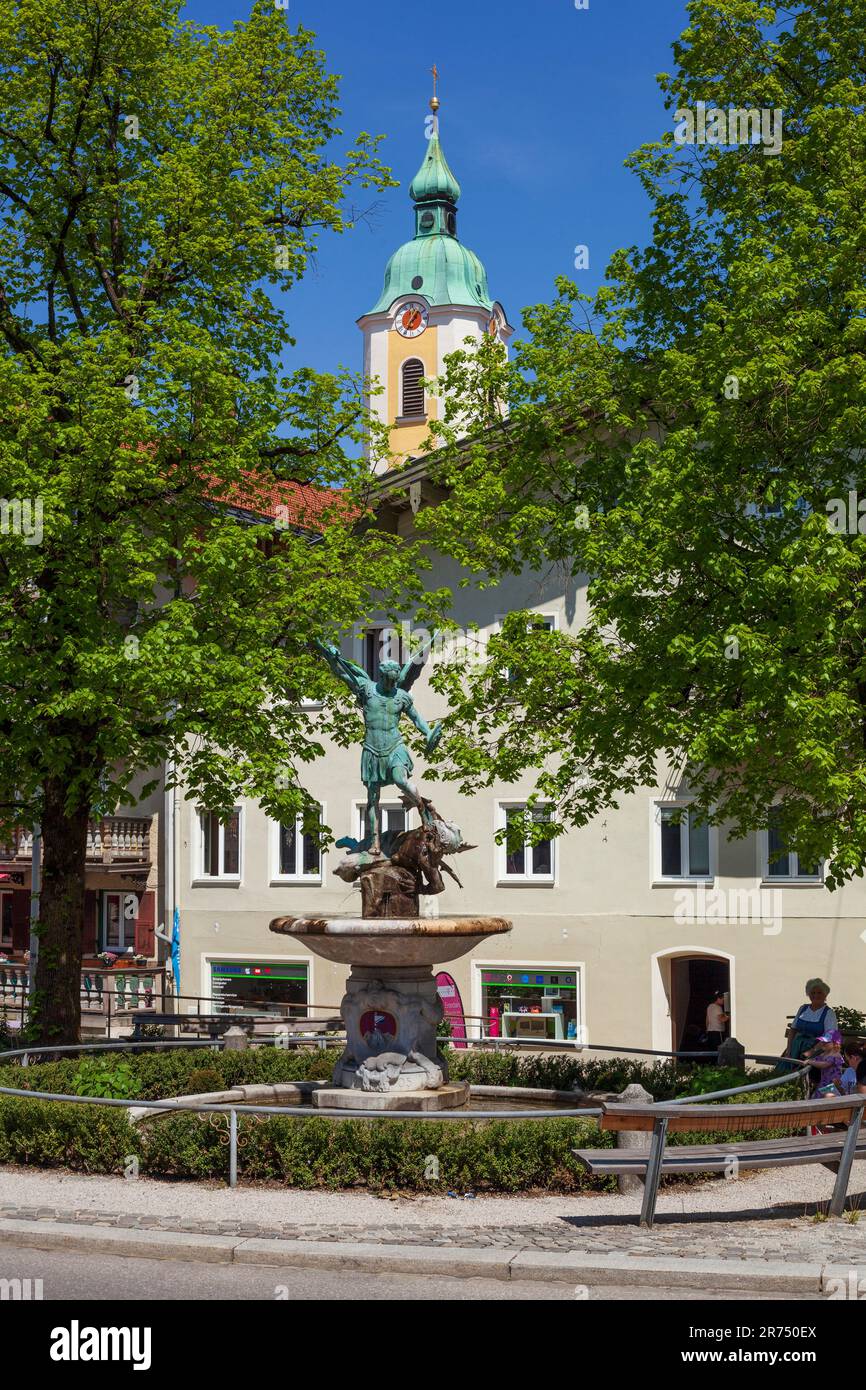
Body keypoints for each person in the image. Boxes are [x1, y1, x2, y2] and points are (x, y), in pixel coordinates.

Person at [784, 979, 838, 1065]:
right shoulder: (803, 1009)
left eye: (819, 993)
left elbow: (829, 1036)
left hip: (816, 1051)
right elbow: (793, 1030)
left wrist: (812, 1051)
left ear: (825, 995)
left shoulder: (829, 1013)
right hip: (795, 1049)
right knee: (786, 1071)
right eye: (813, 993)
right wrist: (789, 1050)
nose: (816, 995)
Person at [804, 1030, 845, 1097]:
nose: (823, 1043)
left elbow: (824, 1065)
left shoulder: (836, 1055)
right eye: (822, 1041)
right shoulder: (825, 1054)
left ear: (835, 1043)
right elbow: (816, 1059)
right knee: (817, 1098)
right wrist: (809, 1059)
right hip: (824, 1082)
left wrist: (809, 1062)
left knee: (825, 1099)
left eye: (827, 1042)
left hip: (833, 1084)